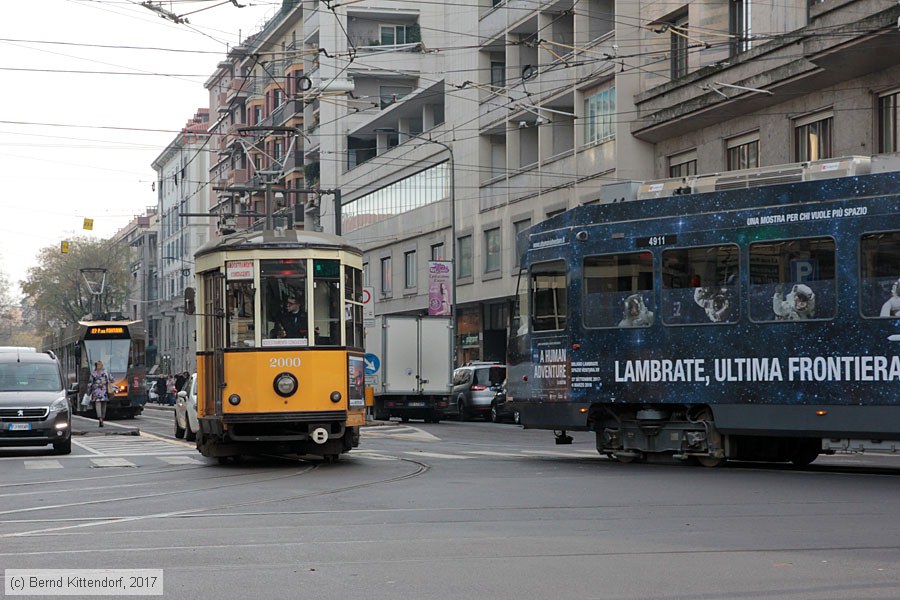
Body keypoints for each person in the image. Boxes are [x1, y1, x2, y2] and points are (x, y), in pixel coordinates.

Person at [89, 360, 112, 427]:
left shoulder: (93, 373)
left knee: (98, 405)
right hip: (104, 392)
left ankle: (100, 418)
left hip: (96, 392)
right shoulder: (105, 372)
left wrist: (89, 392)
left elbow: (90, 383)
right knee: (104, 405)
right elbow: (112, 379)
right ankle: (103, 417)